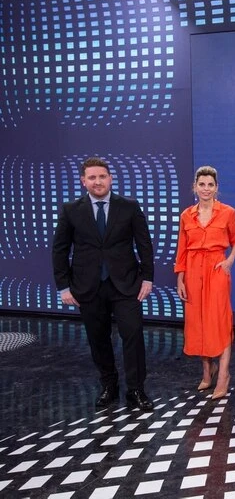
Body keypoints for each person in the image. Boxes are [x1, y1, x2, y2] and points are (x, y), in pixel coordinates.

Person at [52, 157, 155, 411]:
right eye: (92, 178)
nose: (97, 182)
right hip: (87, 286)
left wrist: (147, 278)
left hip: (126, 284)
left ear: (110, 178)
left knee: (133, 335)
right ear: (83, 181)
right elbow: (60, 249)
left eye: (102, 176)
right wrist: (63, 286)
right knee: (98, 338)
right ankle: (109, 385)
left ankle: (136, 389)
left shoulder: (129, 206)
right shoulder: (71, 210)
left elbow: (144, 244)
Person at [175, 166, 235, 401]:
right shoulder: (186, 215)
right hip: (193, 271)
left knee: (219, 321)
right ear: (194, 187)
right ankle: (207, 370)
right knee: (199, 322)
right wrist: (180, 278)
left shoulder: (228, 212)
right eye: (201, 184)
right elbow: (182, 249)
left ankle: (223, 375)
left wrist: (230, 261)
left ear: (216, 188)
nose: (206, 189)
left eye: (210, 185)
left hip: (216, 269)